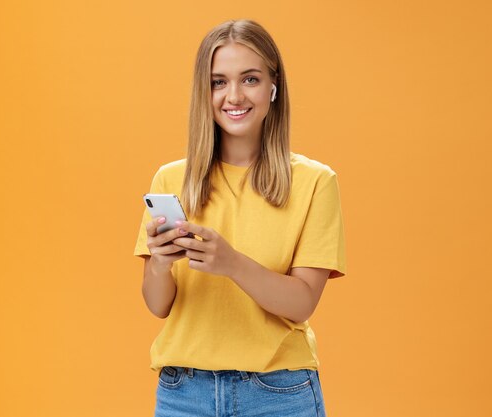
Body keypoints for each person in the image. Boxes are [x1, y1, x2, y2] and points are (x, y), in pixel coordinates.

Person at [134, 18, 346, 417]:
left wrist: (231, 264)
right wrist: (160, 264)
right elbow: (157, 305)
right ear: (205, 90)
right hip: (184, 393)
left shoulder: (315, 182)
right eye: (218, 82)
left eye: (250, 79)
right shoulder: (171, 179)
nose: (233, 95)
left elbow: (301, 303)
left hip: (277, 393)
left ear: (273, 87)